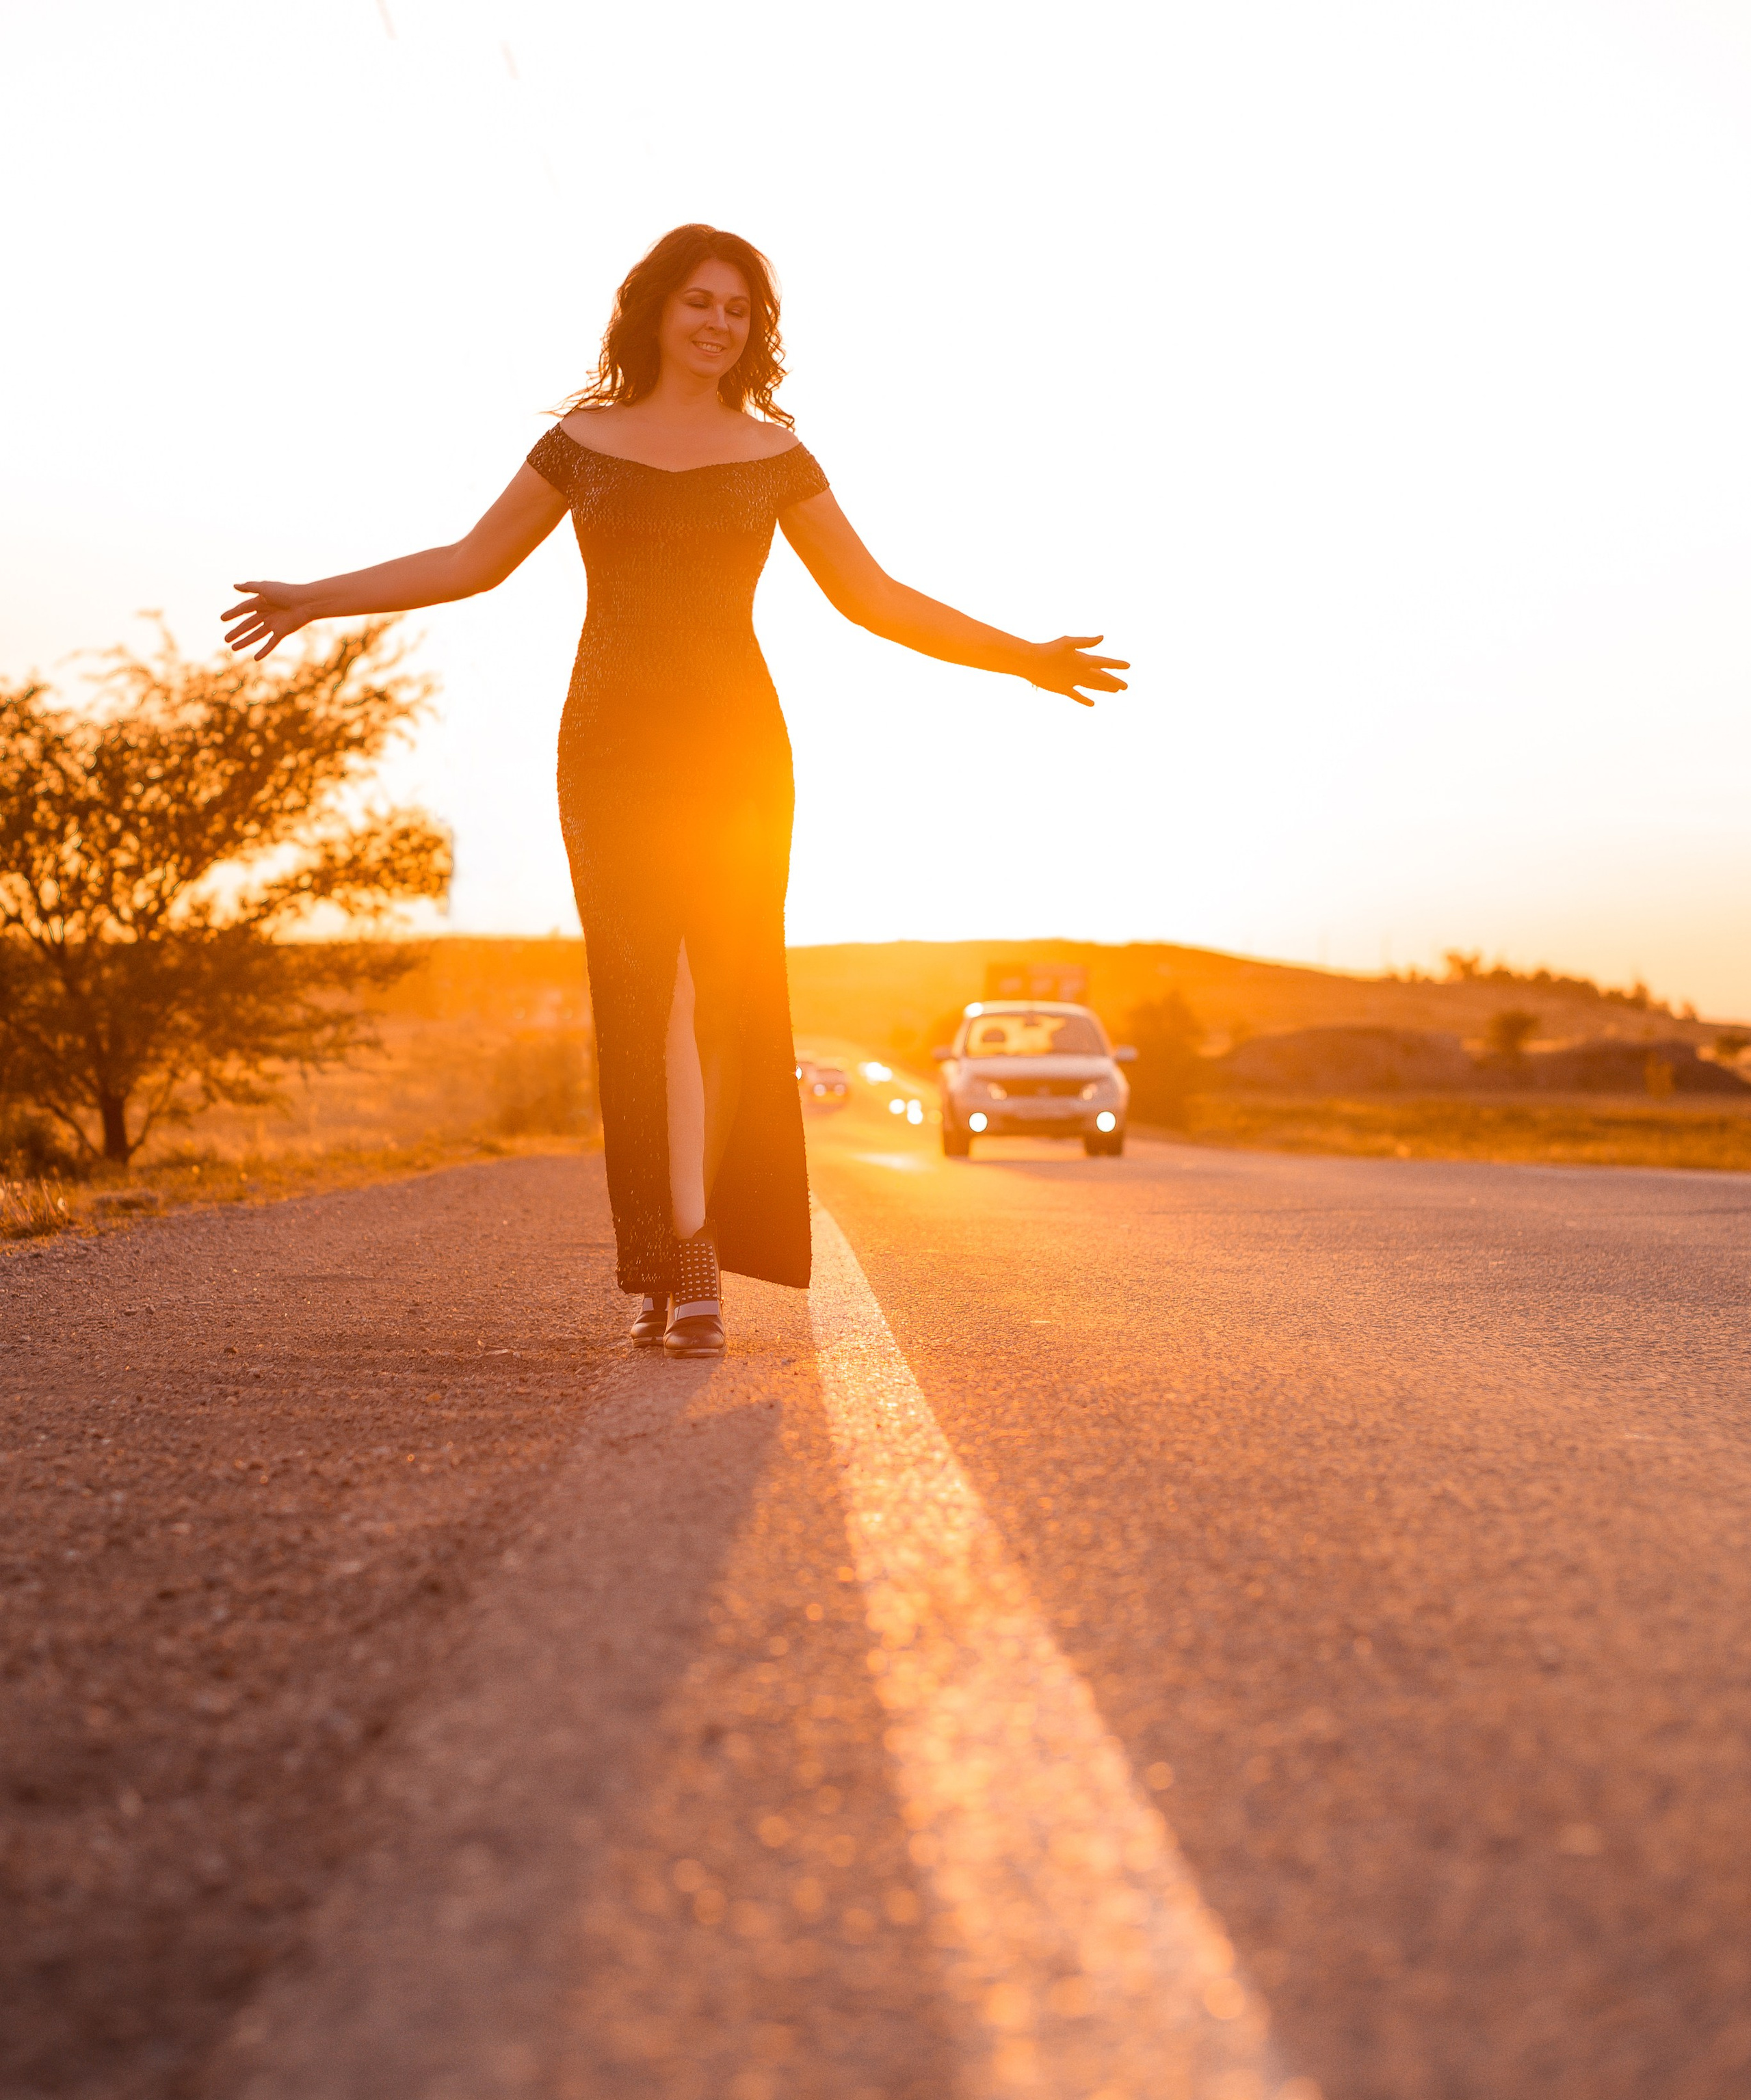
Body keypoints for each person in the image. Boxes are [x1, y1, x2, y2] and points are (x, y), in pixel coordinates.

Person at [223, 222, 1128, 1357]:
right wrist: (316, 596)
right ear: (654, 310)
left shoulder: (776, 457)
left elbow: (877, 598)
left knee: (714, 993)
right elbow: (468, 563)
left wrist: (1026, 655)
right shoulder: (582, 443)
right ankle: (663, 1254)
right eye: (700, 302)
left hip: (738, 751)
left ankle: (692, 1261)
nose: (719, 324)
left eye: (739, 310)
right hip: (609, 747)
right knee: (641, 1002)